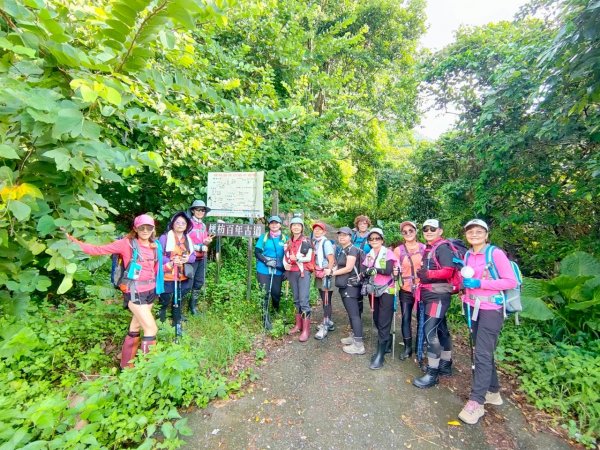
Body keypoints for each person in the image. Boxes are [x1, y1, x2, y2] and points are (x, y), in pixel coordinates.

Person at [66, 214, 165, 369]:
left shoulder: (156, 245)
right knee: (151, 328)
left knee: (136, 327)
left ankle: (125, 366)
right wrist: (70, 240)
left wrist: (172, 264)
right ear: (135, 228)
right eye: (142, 227)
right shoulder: (126, 244)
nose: (145, 230)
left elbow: (156, 269)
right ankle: (147, 371)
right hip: (135, 291)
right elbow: (97, 250)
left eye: (149, 227)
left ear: (153, 229)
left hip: (151, 291)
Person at [457, 219, 517, 424]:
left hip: (491, 309)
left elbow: (511, 281)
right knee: (481, 351)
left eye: (479, 231)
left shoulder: (495, 253)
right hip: (472, 307)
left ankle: (477, 402)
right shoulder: (467, 254)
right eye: (470, 231)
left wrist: (480, 283)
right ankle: (493, 392)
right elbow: (467, 280)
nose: (474, 234)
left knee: (482, 353)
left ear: (486, 234)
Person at [413, 219, 455, 388]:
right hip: (431, 293)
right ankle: (446, 364)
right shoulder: (431, 248)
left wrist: (426, 273)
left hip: (437, 295)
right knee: (441, 328)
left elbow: (448, 270)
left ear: (440, 231)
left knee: (429, 331)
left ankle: (433, 373)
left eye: (432, 229)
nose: (429, 231)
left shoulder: (443, 248)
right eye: (425, 229)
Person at [361, 227, 398, 369]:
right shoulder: (369, 254)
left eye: (377, 238)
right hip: (374, 289)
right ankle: (386, 341)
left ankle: (380, 354)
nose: (374, 241)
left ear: (382, 240)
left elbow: (388, 271)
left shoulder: (388, 253)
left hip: (387, 290)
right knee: (376, 318)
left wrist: (374, 270)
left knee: (383, 320)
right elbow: (364, 270)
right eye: (371, 239)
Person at [158, 212, 196, 337]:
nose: (180, 225)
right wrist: (171, 260)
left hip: (182, 275)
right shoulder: (164, 238)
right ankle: (161, 323)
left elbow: (193, 256)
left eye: (183, 223)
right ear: (173, 224)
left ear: (187, 225)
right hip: (168, 274)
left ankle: (176, 323)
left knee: (178, 299)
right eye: (178, 222)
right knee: (165, 299)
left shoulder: (188, 239)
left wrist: (186, 260)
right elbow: (158, 256)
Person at [393, 221, 426, 361]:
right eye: (404, 232)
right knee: (406, 317)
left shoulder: (424, 248)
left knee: (421, 318)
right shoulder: (398, 250)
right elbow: (394, 267)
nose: (408, 233)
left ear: (415, 231)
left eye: (410, 230)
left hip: (422, 288)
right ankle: (407, 347)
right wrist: (395, 271)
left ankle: (420, 346)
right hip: (405, 288)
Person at [332, 226, 365, 355]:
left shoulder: (352, 250)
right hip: (347, 286)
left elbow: (348, 268)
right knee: (352, 314)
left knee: (354, 314)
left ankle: (358, 345)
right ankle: (353, 336)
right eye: (340, 235)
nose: (342, 237)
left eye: (345, 235)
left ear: (350, 237)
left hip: (350, 287)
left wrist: (331, 272)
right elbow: (341, 265)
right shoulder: (343, 249)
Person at [283, 217, 314, 342]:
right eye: (293, 225)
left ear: (302, 227)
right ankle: (298, 325)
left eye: (298, 225)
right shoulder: (288, 241)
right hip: (292, 272)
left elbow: (309, 257)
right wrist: (286, 264)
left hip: (303, 272)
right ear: (290, 227)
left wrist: (297, 259)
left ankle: (306, 330)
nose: (296, 227)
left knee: (303, 300)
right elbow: (285, 256)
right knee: (296, 299)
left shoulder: (306, 240)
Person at [255, 216, 286, 328]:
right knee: (265, 292)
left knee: (276, 293)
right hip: (263, 268)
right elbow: (257, 252)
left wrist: (286, 270)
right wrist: (266, 260)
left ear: (280, 225)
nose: (274, 225)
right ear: (269, 225)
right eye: (272, 223)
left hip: (278, 268)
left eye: (276, 223)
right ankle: (265, 318)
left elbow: (288, 255)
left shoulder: (284, 238)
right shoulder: (264, 237)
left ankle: (275, 309)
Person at [187, 200, 214, 315]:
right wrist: (198, 247)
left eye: (202, 210)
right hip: (190, 258)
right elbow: (184, 241)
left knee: (199, 282)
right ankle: (177, 309)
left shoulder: (203, 225)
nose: (200, 212)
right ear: (193, 210)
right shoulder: (187, 224)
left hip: (201, 258)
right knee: (187, 283)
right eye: (198, 209)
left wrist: (206, 242)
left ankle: (192, 307)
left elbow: (203, 242)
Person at [312, 222, 335, 340]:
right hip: (319, 273)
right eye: (315, 229)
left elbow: (331, 259)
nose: (317, 231)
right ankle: (328, 321)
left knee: (326, 300)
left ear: (324, 232)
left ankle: (325, 326)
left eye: (319, 229)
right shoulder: (315, 242)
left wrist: (328, 271)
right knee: (324, 299)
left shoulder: (325, 243)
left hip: (326, 274)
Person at [352, 215, 372, 316]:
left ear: (368, 224)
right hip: (355, 267)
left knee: (370, 291)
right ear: (357, 225)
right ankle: (358, 316)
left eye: (365, 223)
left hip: (367, 267)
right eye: (360, 223)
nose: (363, 225)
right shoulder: (354, 236)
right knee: (356, 292)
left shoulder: (371, 236)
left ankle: (376, 317)